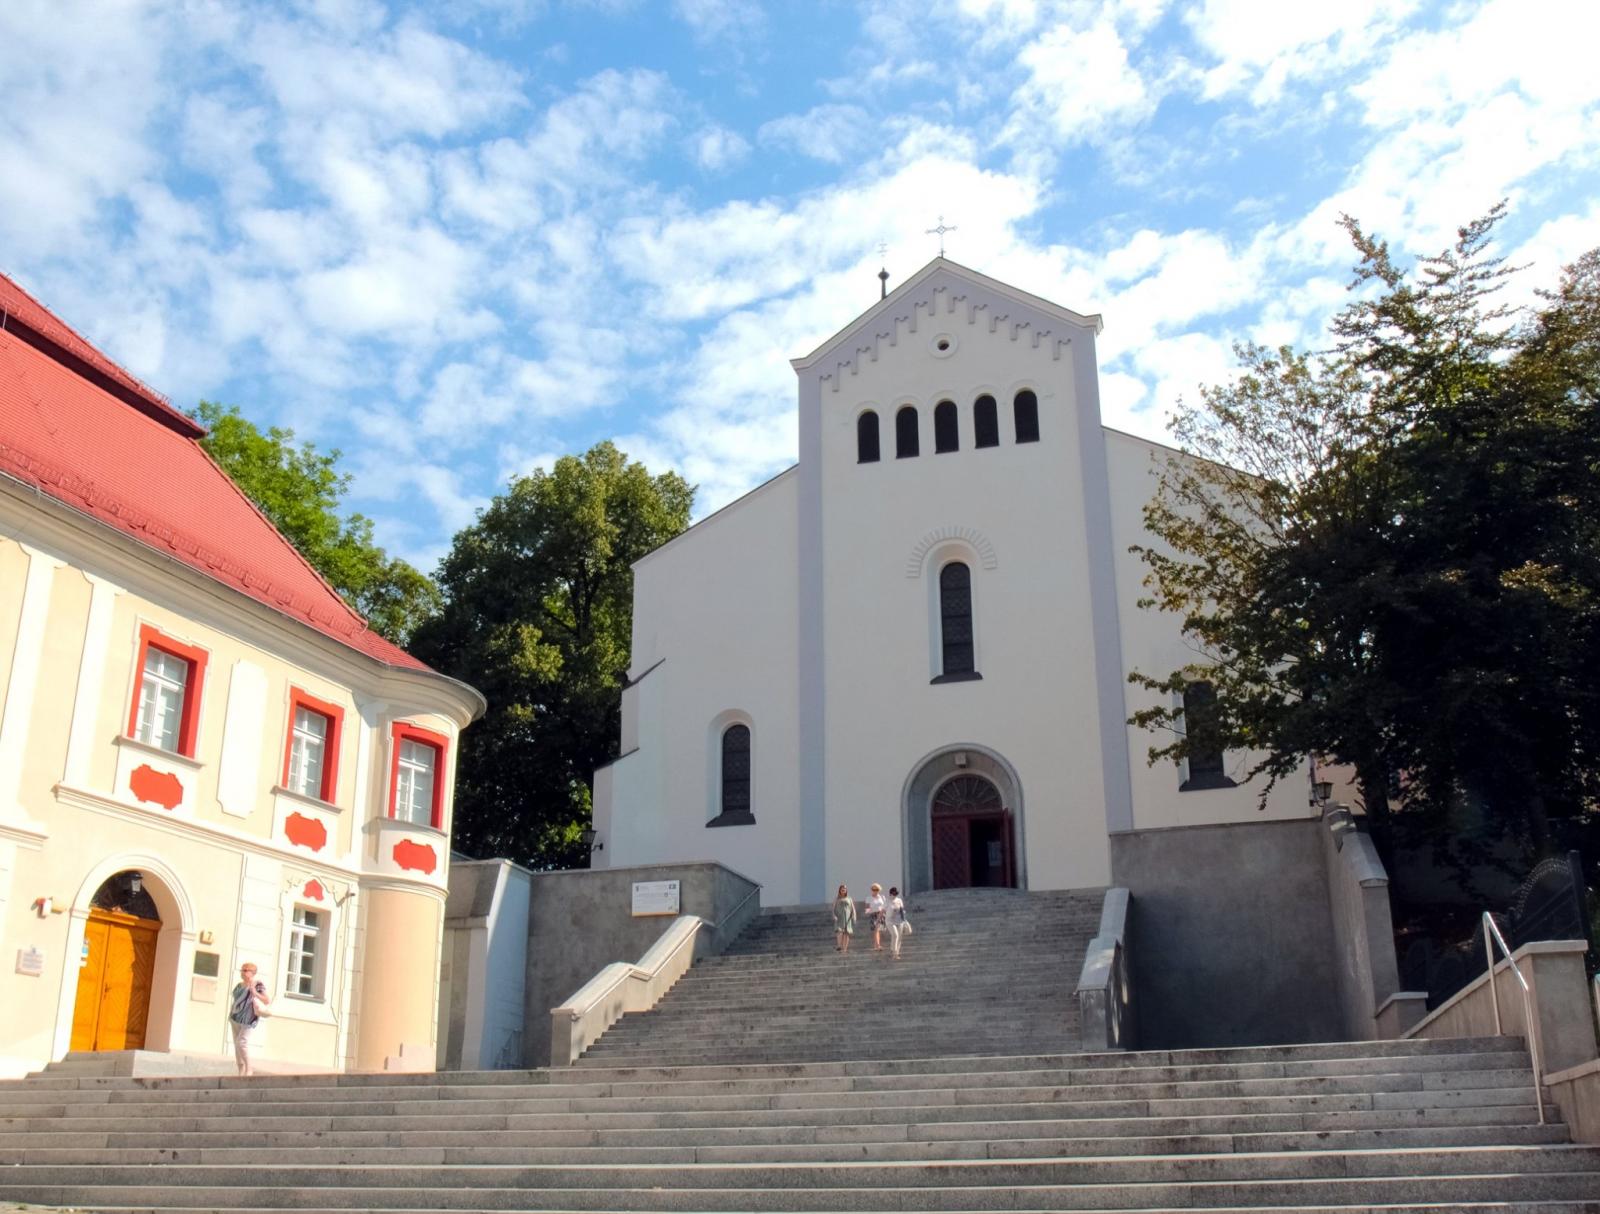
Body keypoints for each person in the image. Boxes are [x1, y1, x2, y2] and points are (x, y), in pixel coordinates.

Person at [228, 962, 271, 1076]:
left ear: (253, 973)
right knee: (236, 1045)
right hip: (235, 1017)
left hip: (249, 1018)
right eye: (242, 970)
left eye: (246, 970)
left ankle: (249, 1068)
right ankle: (241, 1069)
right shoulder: (239, 985)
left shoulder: (257, 985)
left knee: (242, 1042)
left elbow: (266, 1000)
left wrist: (255, 992)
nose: (243, 972)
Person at [887, 886, 911, 959]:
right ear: (890, 894)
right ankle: (894, 951)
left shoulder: (899, 900)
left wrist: (904, 919)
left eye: (896, 894)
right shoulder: (887, 901)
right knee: (895, 935)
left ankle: (896, 952)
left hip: (899, 920)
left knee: (899, 937)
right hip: (890, 921)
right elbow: (883, 910)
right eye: (893, 894)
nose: (894, 895)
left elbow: (902, 910)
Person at [832, 884, 856, 953]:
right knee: (839, 931)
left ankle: (845, 949)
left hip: (847, 917)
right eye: (842, 889)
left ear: (846, 890)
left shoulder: (849, 898)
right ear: (840, 890)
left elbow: (853, 908)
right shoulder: (836, 898)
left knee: (846, 933)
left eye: (844, 889)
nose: (843, 890)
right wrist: (834, 915)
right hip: (839, 917)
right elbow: (833, 908)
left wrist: (854, 915)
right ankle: (839, 946)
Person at [866, 883, 888, 952]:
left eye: (876, 889)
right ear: (871, 890)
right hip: (873, 914)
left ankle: (876, 945)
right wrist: (868, 911)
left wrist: (885, 913)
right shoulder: (869, 898)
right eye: (873, 889)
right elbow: (867, 908)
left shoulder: (882, 897)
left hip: (881, 914)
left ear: (879, 890)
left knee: (878, 930)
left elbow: (885, 906)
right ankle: (878, 945)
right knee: (877, 929)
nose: (875, 891)